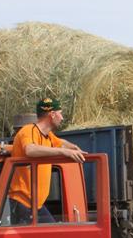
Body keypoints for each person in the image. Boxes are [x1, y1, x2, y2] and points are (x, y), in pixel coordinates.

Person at [8, 96, 86, 224]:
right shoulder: (28, 131)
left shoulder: (48, 136)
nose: (62, 118)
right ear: (52, 114)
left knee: (54, 237)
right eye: (60, 114)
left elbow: (60, 143)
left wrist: (74, 147)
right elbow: (30, 150)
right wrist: (63, 152)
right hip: (23, 203)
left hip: (36, 204)